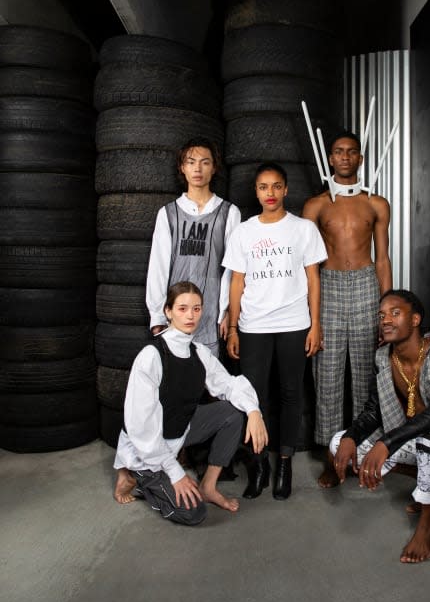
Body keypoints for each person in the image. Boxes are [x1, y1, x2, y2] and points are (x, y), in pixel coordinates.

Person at [329, 289, 430, 563]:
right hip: (412, 439)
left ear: (415, 320)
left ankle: (428, 529)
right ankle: (424, 479)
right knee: (339, 443)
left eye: (395, 313)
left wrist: (386, 444)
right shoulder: (383, 357)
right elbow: (374, 411)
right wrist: (351, 437)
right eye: (381, 315)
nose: (385, 320)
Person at [113, 280, 268, 524]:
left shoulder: (199, 353)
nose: (190, 316)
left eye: (196, 309)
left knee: (233, 412)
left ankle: (208, 486)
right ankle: (132, 474)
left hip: (178, 433)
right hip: (145, 450)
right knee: (193, 513)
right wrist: (175, 473)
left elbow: (229, 384)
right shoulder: (151, 356)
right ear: (168, 311)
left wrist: (254, 411)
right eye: (182, 308)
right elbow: (141, 428)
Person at [223, 162, 327, 500]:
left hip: (294, 324)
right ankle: (259, 467)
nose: (270, 193)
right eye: (263, 187)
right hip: (253, 325)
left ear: (285, 190)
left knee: (290, 394)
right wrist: (234, 327)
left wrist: (316, 325)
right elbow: (236, 283)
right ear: (256, 192)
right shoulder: (244, 232)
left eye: (276, 186)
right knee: (256, 397)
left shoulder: (304, 229)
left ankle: (284, 463)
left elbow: (313, 280)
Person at [302, 131, 392, 488]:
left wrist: (386, 309)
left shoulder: (377, 204)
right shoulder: (316, 205)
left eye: (351, 152)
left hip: (366, 283)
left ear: (360, 159)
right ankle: (330, 457)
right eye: (338, 152)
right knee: (327, 373)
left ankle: (358, 452)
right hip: (329, 284)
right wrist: (311, 316)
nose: (344, 157)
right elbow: (306, 264)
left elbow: (383, 258)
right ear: (330, 159)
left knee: (366, 373)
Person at [146, 137, 240, 357]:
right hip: (175, 314)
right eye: (191, 162)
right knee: (176, 380)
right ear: (182, 167)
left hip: (211, 314)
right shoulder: (168, 213)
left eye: (205, 162)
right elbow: (158, 267)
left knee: (209, 382)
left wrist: (226, 311)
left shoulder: (229, 213)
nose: (197, 168)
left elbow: (233, 270)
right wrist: (158, 316)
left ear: (214, 167)